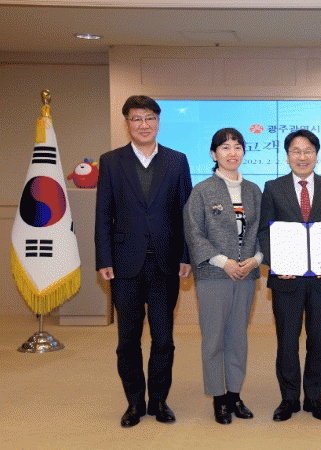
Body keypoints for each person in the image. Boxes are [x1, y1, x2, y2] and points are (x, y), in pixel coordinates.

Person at [95, 95, 192, 427]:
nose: (144, 124)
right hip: (124, 265)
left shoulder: (177, 160)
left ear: (158, 122)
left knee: (163, 339)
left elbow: (185, 213)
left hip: (166, 264)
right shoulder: (111, 161)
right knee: (128, 340)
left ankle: (159, 401)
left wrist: (186, 255)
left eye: (150, 118)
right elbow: (103, 214)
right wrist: (104, 257)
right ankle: (134, 403)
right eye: (136, 119)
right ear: (127, 124)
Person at [258, 129, 321, 422]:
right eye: (296, 151)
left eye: (308, 151)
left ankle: (315, 398)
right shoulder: (273, 187)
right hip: (287, 279)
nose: (302, 156)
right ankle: (289, 398)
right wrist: (277, 263)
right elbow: (264, 231)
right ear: (287, 156)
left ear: (317, 156)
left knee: (319, 340)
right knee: (287, 341)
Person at [183, 128, 262, 425]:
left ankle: (235, 396)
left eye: (237, 147)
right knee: (214, 337)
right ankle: (218, 397)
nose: (232, 153)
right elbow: (194, 233)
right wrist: (223, 262)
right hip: (213, 274)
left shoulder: (253, 190)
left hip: (246, 275)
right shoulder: (202, 190)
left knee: (238, 337)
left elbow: (261, 232)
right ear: (214, 154)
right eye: (225, 147)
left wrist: (256, 260)